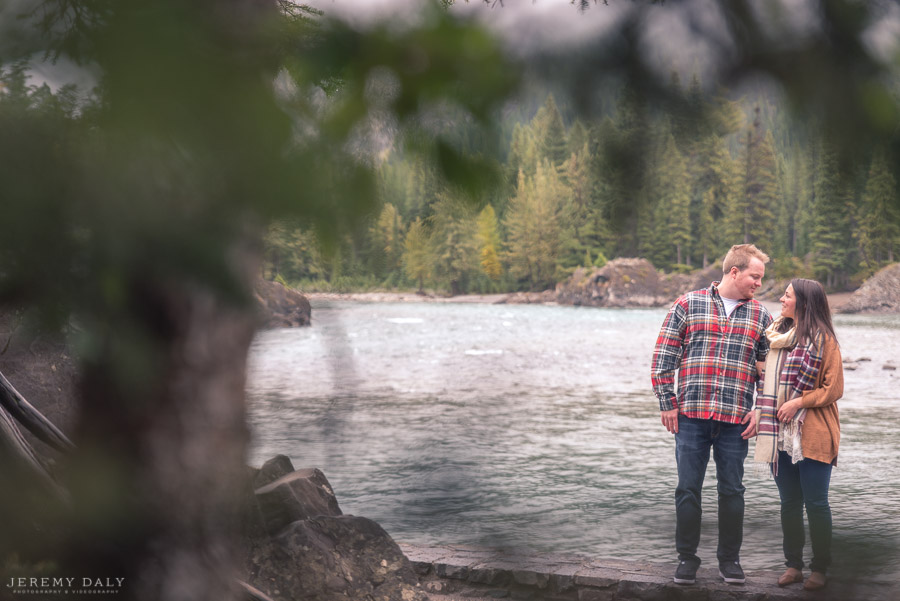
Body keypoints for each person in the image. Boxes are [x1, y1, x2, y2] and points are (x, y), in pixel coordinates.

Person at [651, 244, 773, 586]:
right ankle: (687, 560)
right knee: (688, 489)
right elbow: (664, 357)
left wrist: (762, 408)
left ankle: (730, 561)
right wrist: (667, 402)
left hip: (736, 422)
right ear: (734, 272)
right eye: (754, 276)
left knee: (733, 490)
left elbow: (771, 371)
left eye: (760, 278)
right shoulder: (688, 304)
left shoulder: (762, 316)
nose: (758, 284)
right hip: (691, 417)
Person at [754, 278, 843, 591]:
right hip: (779, 432)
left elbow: (834, 389)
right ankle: (793, 565)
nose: (781, 299)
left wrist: (798, 402)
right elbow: (766, 381)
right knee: (789, 503)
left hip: (813, 431)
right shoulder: (778, 336)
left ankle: (820, 569)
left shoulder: (824, 339)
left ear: (803, 303)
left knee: (816, 503)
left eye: (787, 295)